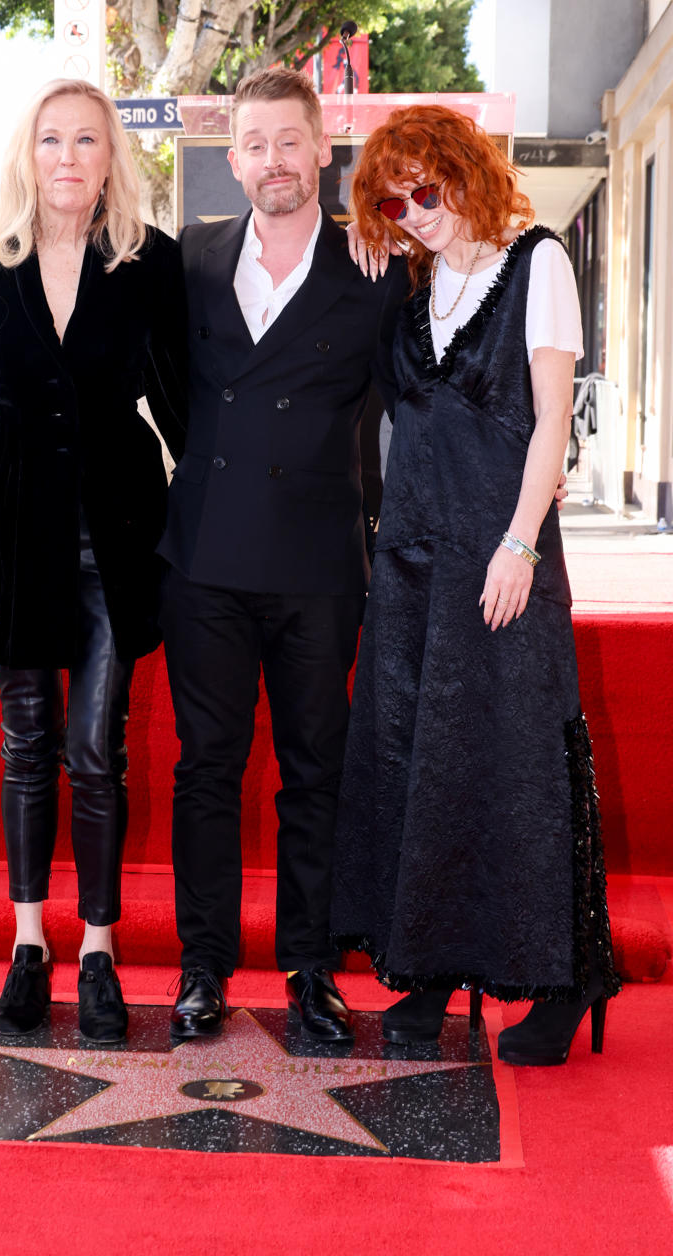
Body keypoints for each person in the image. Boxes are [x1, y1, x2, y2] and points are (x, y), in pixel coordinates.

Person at [330, 104, 620, 1066]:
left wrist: (521, 546)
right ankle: (429, 972)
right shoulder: (410, 283)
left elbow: (550, 425)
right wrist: (372, 238)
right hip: (412, 562)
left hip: (502, 560)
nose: (415, 209)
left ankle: (559, 985)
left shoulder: (539, 263)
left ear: (464, 169)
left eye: (427, 186)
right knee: (418, 766)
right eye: (392, 198)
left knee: (514, 768)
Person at [0, 78, 186, 1044]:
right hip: (12, 535)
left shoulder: (148, 264)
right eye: (50, 140)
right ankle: (28, 946)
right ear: (26, 156)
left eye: (85, 139)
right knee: (26, 744)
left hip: (116, 539)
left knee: (96, 752)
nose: (67, 156)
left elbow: (186, 404)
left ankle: (99, 953)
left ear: (112, 156)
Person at [158, 67, 406, 1043]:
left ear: (322, 150)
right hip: (205, 558)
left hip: (317, 559)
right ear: (233, 160)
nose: (275, 161)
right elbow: (163, 387)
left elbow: (405, 406)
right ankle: (202, 970)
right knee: (206, 771)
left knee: (317, 771)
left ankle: (312, 970)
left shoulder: (374, 271)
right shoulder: (189, 258)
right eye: (255, 144)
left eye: (290, 142)